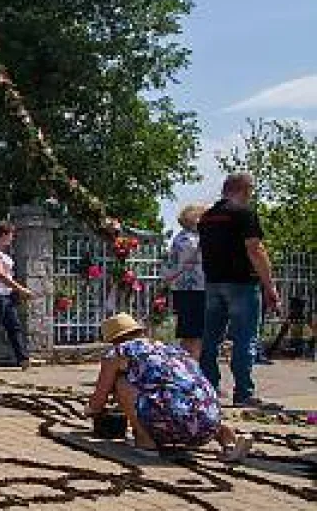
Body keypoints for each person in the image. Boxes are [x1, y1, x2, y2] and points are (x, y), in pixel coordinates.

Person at [88, 313, 252, 461]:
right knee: (191, 402)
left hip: (171, 424)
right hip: (207, 426)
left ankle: (146, 441)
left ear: (113, 340)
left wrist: (93, 410)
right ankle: (227, 441)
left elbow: (98, 400)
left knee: (121, 383)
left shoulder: (118, 353)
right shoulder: (170, 348)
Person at [197, 173, 281, 407]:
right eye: (250, 190)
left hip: (214, 282)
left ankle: (209, 388)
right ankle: (244, 392)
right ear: (243, 189)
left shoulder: (207, 218)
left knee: (210, 339)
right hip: (242, 283)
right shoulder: (243, 213)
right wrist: (269, 286)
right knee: (245, 338)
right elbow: (255, 250)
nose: (251, 194)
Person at [0, 222, 36, 369]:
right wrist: (21, 289)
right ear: (3, 235)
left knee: (14, 326)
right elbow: (0, 275)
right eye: (10, 235)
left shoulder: (2, 253)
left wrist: (14, 290)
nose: (12, 238)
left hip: (5, 295)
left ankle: (23, 359)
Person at [163, 203, 208, 360]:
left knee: (192, 333)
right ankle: (191, 369)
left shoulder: (181, 238)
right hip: (194, 290)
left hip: (187, 290)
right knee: (194, 334)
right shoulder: (191, 240)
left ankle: (189, 367)